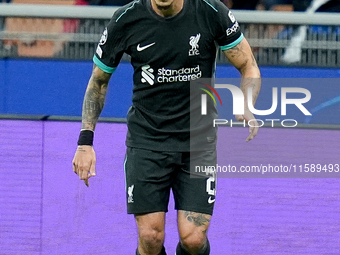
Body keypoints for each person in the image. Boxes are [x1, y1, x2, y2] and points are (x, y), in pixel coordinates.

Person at [72, 0, 261, 254]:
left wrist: (247, 103)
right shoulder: (126, 19)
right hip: (147, 141)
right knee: (151, 238)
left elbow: (248, 64)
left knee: (193, 239)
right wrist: (85, 141)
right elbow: (98, 82)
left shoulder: (210, 11)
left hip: (197, 142)